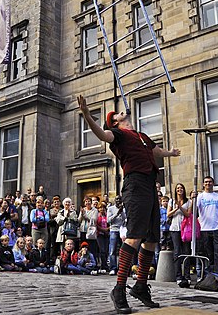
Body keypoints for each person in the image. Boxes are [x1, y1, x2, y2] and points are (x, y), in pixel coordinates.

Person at [78, 95, 181, 313]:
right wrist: (87, 115)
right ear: (115, 121)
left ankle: (141, 286)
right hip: (134, 185)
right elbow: (102, 134)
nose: (121, 111)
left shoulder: (141, 136)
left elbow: (155, 151)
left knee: (152, 239)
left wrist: (169, 153)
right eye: (116, 113)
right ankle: (119, 288)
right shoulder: (117, 134)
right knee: (134, 236)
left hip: (150, 185)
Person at [192, 176, 218, 275]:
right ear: (203, 184)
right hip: (204, 228)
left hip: (217, 228)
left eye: (210, 182)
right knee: (207, 253)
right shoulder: (200, 197)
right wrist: (193, 199)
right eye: (206, 182)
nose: (208, 184)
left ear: (213, 183)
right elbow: (193, 210)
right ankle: (208, 273)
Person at [167, 183, 192, 286]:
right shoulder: (171, 201)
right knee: (177, 252)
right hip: (175, 228)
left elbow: (188, 214)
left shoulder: (188, 201)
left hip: (185, 229)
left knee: (186, 251)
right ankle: (178, 276)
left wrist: (180, 207)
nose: (179, 190)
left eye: (181, 188)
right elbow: (168, 214)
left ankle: (187, 276)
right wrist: (176, 208)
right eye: (177, 188)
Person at [107, 197, 126, 276]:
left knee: (123, 250)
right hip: (113, 230)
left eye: (120, 199)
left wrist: (121, 212)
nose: (118, 201)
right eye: (117, 199)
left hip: (122, 230)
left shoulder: (124, 209)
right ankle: (113, 268)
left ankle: (121, 268)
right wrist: (117, 213)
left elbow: (125, 219)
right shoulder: (110, 209)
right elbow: (109, 220)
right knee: (112, 250)